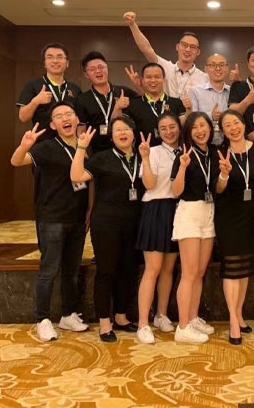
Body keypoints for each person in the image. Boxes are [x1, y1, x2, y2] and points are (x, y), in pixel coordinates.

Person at [10, 103, 89, 342]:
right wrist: (24, 145)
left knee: (72, 270)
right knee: (49, 270)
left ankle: (68, 314)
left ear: (76, 119)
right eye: (59, 116)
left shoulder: (84, 145)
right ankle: (42, 319)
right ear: (53, 125)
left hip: (77, 217)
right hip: (52, 218)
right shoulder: (46, 147)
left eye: (69, 114)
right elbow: (16, 161)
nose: (65, 119)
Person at [70, 116, 142, 342]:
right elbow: (76, 176)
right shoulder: (102, 158)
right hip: (106, 223)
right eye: (117, 130)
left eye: (126, 129)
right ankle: (104, 322)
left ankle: (121, 316)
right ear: (111, 136)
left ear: (134, 133)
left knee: (127, 269)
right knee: (106, 271)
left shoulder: (143, 157)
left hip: (134, 222)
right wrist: (81, 148)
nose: (123, 133)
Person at [214, 110, 254, 345]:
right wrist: (224, 175)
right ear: (223, 131)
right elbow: (217, 190)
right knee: (232, 268)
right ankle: (232, 321)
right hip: (228, 217)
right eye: (227, 125)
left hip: (251, 216)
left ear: (244, 124)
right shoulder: (219, 152)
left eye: (236, 122)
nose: (233, 128)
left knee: (245, 267)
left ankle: (239, 313)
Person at [170, 112, 219, 343]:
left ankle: (193, 317)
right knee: (189, 273)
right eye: (194, 127)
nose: (200, 131)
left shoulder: (213, 153)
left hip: (208, 212)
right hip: (189, 211)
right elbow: (176, 191)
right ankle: (182, 327)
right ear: (188, 132)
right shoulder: (184, 153)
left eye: (203, 125)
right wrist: (182, 168)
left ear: (210, 128)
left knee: (199, 272)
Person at [135, 113, 182, 344]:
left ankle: (161, 314)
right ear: (158, 131)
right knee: (152, 268)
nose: (169, 132)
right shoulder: (152, 151)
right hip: (155, 209)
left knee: (168, 269)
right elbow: (150, 184)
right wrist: (144, 158)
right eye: (163, 128)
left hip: (177, 210)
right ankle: (143, 323)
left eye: (172, 127)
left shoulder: (185, 152)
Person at [123, 11, 209, 101]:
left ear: (198, 52)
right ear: (177, 47)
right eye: (184, 45)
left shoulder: (204, 78)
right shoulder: (165, 67)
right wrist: (132, 25)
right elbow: (147, 49)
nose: (188, 49)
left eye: (193, 47)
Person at [75, 51, 138, 152]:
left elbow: (145, 100)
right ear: (86, 75)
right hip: (96, 151)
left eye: (101, 67)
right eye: (92, 69)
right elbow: (81, 129)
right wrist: (82, 149)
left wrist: (138, 84)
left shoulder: (123, 91)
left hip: (123, 148)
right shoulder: (82, 99)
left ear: (107, 68)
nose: (98, 71)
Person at [17, 42, 82, 137]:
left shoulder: (75, 89)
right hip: (43, 142)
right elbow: (23, 117)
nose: (55, 61)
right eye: (50, 57)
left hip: (69, 142)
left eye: (60, 57)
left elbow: (80, 121)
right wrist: (36, 101)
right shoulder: (32, 85)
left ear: (67, 63)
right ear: (44, 63)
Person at [125, 63, 187, 145]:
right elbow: (122, 128)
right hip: (144, 151)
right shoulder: (133, 104)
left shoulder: (176, 103)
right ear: (142, 80)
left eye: (157, 77)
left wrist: (189, 109)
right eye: (149, 77)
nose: (153, 80)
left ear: (164, 79)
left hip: (173, 151)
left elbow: (185, 127)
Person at [188, 53, 231, 145]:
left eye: (221, 65)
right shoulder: (195, 91)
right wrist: (211, 116)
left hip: (230, 142)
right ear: (206, 69)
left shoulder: (232, 92)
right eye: (213, 65)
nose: (218, 68)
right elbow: (192, 120)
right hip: (204, 143)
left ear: (227, 69)